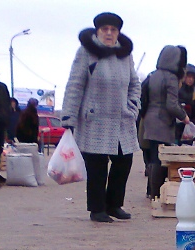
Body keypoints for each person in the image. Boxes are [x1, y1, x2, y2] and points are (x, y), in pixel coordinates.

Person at [62, 11, 140, 223]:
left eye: (113, 30)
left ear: (118, 33)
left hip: (122, 120)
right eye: (104, 29)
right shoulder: (86, 53)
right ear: (97, 31)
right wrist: (69, 117)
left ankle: (114, 204)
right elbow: (75, 84)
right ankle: (97, 209)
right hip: (95, 119)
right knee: (96, 167)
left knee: (124, 161)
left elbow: (135, 84)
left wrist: (133, 106)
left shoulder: (125, 55)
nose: (109, 33)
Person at [143, 45, 192, 199]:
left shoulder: (154, 75)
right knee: (161, 158)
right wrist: (184, 116)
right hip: (162, 122)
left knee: (152, 157)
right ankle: (156, 193)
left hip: (149, 120)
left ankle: (151, 191)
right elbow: (171, 105)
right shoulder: (171, 78)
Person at [176, 63, 195, 144]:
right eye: (188, 76)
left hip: (190, 127)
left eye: (192, 77)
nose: (190, 79)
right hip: (178, 127)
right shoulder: (177, 91)